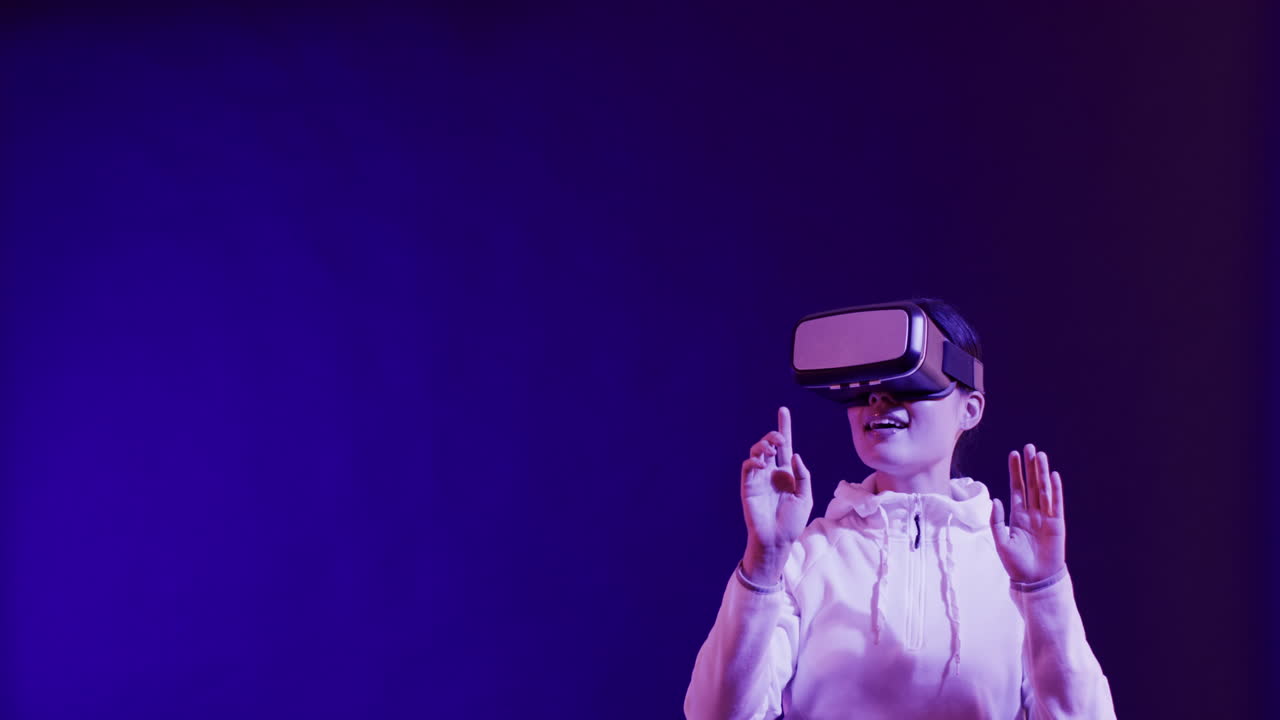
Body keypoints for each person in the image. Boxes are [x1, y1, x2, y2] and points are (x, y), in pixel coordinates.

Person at [684, 299, 1115, 719]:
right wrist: (764, 562)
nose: (879, 400)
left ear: (970, 408)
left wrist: (1044, 590)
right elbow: (714, 716)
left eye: (910, 382)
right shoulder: (806, 558)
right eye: (865, 386)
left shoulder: (1012, 564)